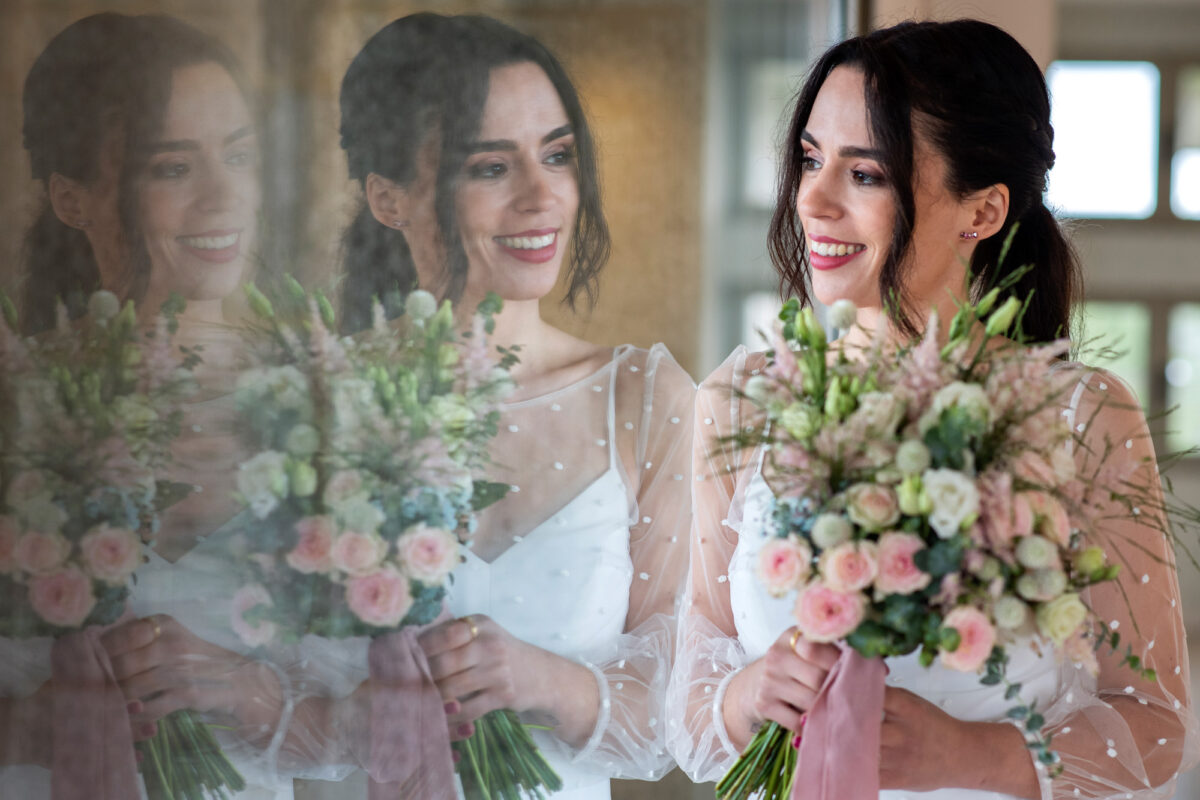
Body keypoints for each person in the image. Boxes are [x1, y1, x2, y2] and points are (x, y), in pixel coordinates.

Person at [668, 19, 1198, 799]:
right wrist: (747, 697)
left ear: (981, 212)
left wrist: (976, 756)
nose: (811, 199)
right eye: (811, 159)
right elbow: (688, 702)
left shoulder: (1081, 418)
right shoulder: (741, 401)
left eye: (866, 175)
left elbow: (1153, 725)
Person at [291, 13, 694, 799]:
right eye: (489, 167)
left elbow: (685, 717)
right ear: (387, 197)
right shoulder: (314, 408)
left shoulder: (646, 402)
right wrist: (358, 717)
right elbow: (253, 692)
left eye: (558, 155)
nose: (543, 197)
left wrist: (542, 680)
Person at [2, 13, 296, 797]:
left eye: (239, 155)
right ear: (71, 196)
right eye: (172, 168)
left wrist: (256, 697)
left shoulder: (329, 409)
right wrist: (27, 723)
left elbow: (395, 706)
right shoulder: (14, 407)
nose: (224, 197)